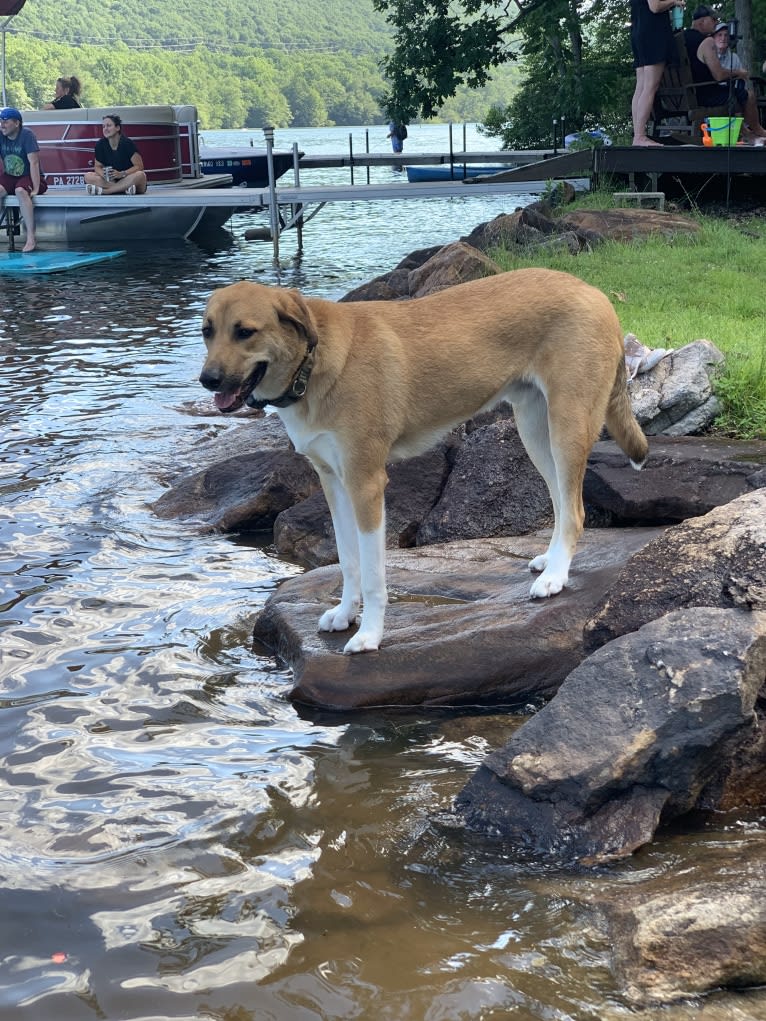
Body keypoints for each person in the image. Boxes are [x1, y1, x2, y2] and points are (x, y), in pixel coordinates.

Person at [685, 6, 766, 139]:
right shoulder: (707, 42)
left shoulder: (681, 38)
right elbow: (719, 75)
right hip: (705, 95)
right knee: (748, 95)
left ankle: (745, 132)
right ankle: (758, 130)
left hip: (686, 94)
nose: (716, 22)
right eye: (713, 19)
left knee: (735, 92)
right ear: (702, 21)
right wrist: (739, 72)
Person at [630, 0, 685, 146]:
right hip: (652, 32)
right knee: (650, 86)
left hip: (638, 30)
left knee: (641, 86)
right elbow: (655, 7)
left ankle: (637, 134)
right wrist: (674, 1)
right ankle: (640, 136)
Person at [0, 107, 48, 252]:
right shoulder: (0, 135)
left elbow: (34, 163)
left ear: (17, 123)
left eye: (6, 121)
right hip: (10, 176)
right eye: (1, 121)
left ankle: (31, 238)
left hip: (30, 177)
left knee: (20, 191)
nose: (2, 124)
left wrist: (34, 188)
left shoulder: (27, 135)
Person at [83, 114, 148, 195]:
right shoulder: (100, 144)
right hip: (111, 180)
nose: (105, 129)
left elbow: (139, 166)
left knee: (140, 175)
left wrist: (121, 174)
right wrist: (103, 174)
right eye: (103, 126)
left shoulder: (127, 143)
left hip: (128, 177)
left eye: (109, 126)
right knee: (88, 176)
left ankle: (105, 191)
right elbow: (97, 166)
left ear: (117, 128)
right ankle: (124, 189)